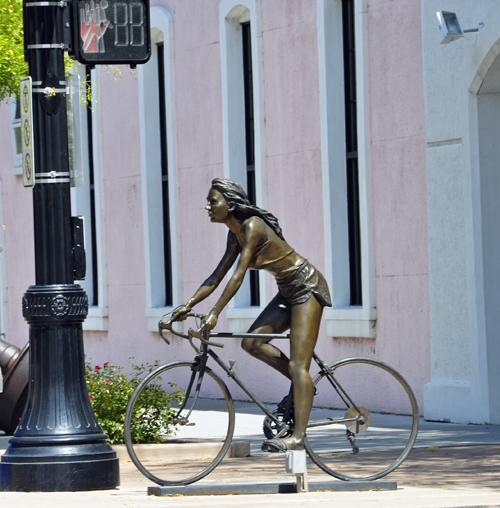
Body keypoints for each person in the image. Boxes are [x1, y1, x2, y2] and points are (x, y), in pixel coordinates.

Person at [172, 178, 332, 452]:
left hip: (307, 288)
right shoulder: (233, 234)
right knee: (252, 343)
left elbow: (238, 274)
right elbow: (217, 275)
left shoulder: (253, 227)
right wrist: (187, 305)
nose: (207, 206)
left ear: (230, 204)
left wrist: (215, 312)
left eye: (213, 201)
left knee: (298, 365)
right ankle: (302, 386)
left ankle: (298, 437)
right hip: (287, 292)